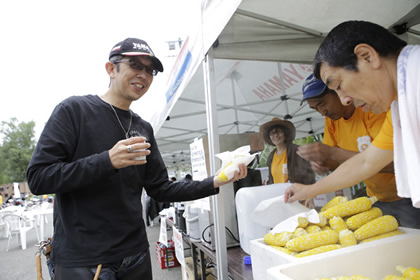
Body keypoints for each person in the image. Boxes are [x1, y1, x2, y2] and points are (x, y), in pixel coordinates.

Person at [26, 37, 247, 280]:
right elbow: (38, 178)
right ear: (111, 68)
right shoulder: (74, 111)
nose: (143, 75)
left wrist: (215, 181)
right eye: (135, 66)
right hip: (86, 260)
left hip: (135, 256)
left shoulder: (142, 128)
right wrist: (107, 161)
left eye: (149, 70)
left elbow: (161, 189)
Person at [284, 20, 420, 210]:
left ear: (367, 56)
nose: (344, 100)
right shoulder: (399, 109)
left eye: (339, 86)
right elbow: (366, 162)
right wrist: (310, 190)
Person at [297, 74, 420, 228]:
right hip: (375, 197)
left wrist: (331, 153)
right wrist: (323, 163)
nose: (322, 112)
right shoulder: (332, 120)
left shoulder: (372, 111)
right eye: (315, 108)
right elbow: (335, 161)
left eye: (322, 104)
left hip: (407, 196)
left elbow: (395, 163)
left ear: (338, 92)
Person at [259, 118, 314, 185]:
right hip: (278, 194)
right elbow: (271, 180)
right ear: (269, 136)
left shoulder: (297, 151)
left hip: (295, 193)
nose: (275, 135)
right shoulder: (271, 156)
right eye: (272, 133)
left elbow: (308, 176)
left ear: (285, 133)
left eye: (279, 131)